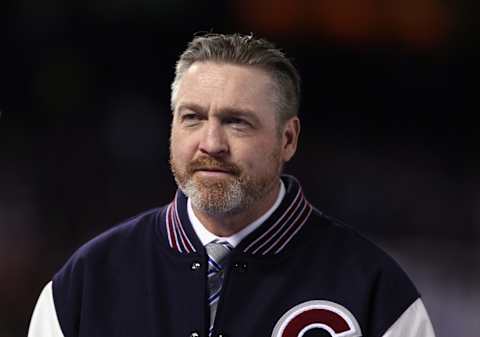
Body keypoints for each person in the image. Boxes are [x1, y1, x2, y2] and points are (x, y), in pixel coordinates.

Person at [28, 33, 435, 337]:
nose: (211, 144)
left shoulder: (374, 289)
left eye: (236, 121)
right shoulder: (86, 282)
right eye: (192, 118)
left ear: (287, 139)